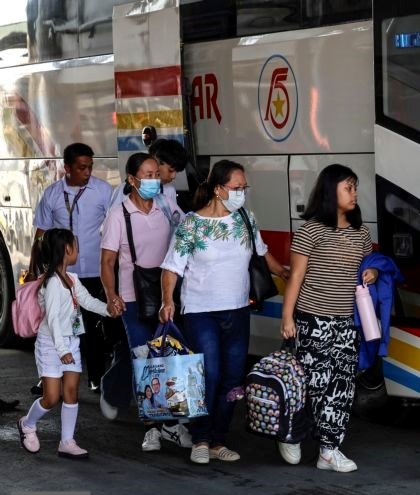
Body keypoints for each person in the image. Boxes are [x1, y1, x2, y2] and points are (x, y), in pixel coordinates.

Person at [159, 159, 288, 465]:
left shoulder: (245, 218)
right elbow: (171, 268)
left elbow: (263, 253)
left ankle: (218, 440)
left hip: (239, 310)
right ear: (218, 189)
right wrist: (168, 300)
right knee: (210, 375)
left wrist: (286, 273)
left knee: (232, 379)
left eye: (245, 187)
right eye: (236, 188)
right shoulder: (191, 225)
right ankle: (200, 438)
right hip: (201, 312)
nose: (242, 193)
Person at [280, 164, 376, 473]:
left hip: (346, 322)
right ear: (330, 191)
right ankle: (290, 432)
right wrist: (287, 317)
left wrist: (371, 272)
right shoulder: (310, 230)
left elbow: (365, 266)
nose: (354, 193)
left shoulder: (362, 232)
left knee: (342, 387)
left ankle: (329, 450)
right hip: (312, 320)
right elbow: (295, 277)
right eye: (348, 187)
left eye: (354, 187)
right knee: (313, 385)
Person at [100, 152, 191, 451]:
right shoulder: (118, 215)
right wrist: (112, 296)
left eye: (156, 174)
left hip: (165, 295)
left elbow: (187, 232)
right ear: (132, 180)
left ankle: (169, 424)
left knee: (167, 356)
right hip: (132, 297)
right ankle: (154, 427)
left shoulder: (166, 204)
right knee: (145, 358)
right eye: (148, 175)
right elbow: (108, 261)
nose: (155, 179)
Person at [17, 229, 118, 458]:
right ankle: (28, 424)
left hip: (70, 342)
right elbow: (52, 320)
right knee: (52, 397)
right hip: (52, 345)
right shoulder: (52, 283)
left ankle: (67, 441)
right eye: (75, 245)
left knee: (71, 391)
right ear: (66, 250)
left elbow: (87, 301)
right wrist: (62, 350)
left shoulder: (72, 279)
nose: (78, 250)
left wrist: (109, 310)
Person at [29, 142, 114, 393]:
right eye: (81, 168)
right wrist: (34, 269)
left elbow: (115, 228)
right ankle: (48, 376)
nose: (87, 172)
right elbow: (41, 233)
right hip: (60, 274)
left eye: (90, 167)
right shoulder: (53, 194)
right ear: (67, 168)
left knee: (91, 327)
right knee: (55, 323)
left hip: (93, 271)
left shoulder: (102, 191)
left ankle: (96, 376)